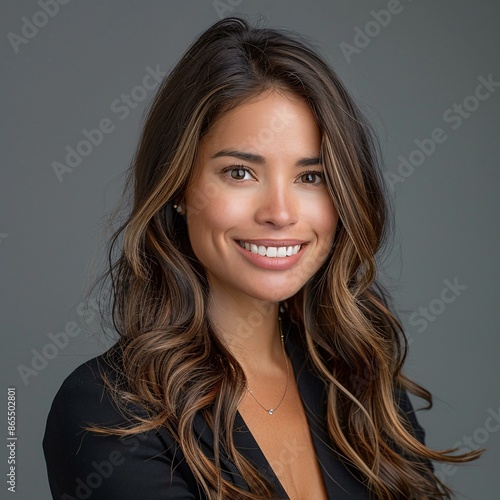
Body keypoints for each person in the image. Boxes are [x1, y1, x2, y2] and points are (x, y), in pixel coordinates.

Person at [43, 17, 481, 499]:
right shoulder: (107, 411)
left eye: (310, 177)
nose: (279, 213)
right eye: (239, 172)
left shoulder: (360, 384)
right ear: (179, 187)